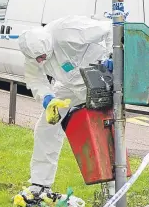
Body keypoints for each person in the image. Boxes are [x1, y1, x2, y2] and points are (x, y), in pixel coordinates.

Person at [18, 16, 113, 196]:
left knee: (105, 131)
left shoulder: (68, 30)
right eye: (37, 58)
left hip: (98, 79)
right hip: (68, 87)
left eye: (43, 57)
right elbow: (35, 78)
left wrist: (111, 56)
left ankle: (113, 193)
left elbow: (110, 28)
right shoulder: (33, 52)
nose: (40, 61)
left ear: (48, 44)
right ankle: (40, 184)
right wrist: (47, 97)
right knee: (46, 128)